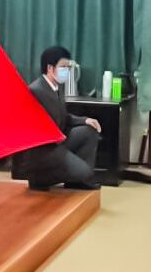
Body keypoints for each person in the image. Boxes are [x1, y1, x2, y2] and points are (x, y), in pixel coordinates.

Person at [15, 46, 101, 191]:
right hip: (44, 150)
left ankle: (77, 182)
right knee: (84, 172)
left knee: (89, 131)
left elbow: (63, 116)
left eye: (68, 67)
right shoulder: (35, 90)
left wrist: (85, 120)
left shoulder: (56, 87)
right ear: (50, 68)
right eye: (63, 67)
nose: (67, 71)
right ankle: (39, 179)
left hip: (58, 141)